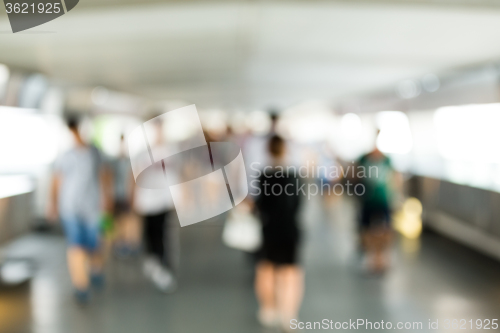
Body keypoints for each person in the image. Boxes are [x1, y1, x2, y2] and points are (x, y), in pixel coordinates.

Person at [48, 116, 112, 304]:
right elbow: (56, 181)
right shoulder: (65, 156)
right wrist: (52, 203)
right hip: (70, 207)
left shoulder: (95, 153)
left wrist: (107, 200)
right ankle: (81, 285)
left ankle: (96, 268)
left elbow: (105, 176)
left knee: (95, 243)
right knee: (76, 245)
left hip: (93, 207)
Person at [254, 135, 304, 331]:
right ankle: (289, 314)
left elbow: (260, 204)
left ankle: (268, 309)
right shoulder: (294, 176)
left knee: (266, 270)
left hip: (268, 229)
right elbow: (298, 205)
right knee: (291, 273)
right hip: (289, 229)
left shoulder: (263, 176)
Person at [132, 119, 177, 293]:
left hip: (163, 201)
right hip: (147, 201)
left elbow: (177, 176)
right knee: (150, 233)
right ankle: (153, 260)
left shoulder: (171, 151)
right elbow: (135, 176)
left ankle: (164, 267)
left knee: (163, 234)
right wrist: (134, 198)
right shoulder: (143, 153)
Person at [355, 135, 395, 273]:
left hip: (383, 199)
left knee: (385, 229)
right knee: (365, 228)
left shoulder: (387, 160)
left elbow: (393, 178)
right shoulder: (364, 159)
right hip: (367, 199)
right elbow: (355, 174)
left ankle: (381, 257)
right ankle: (369, 256)